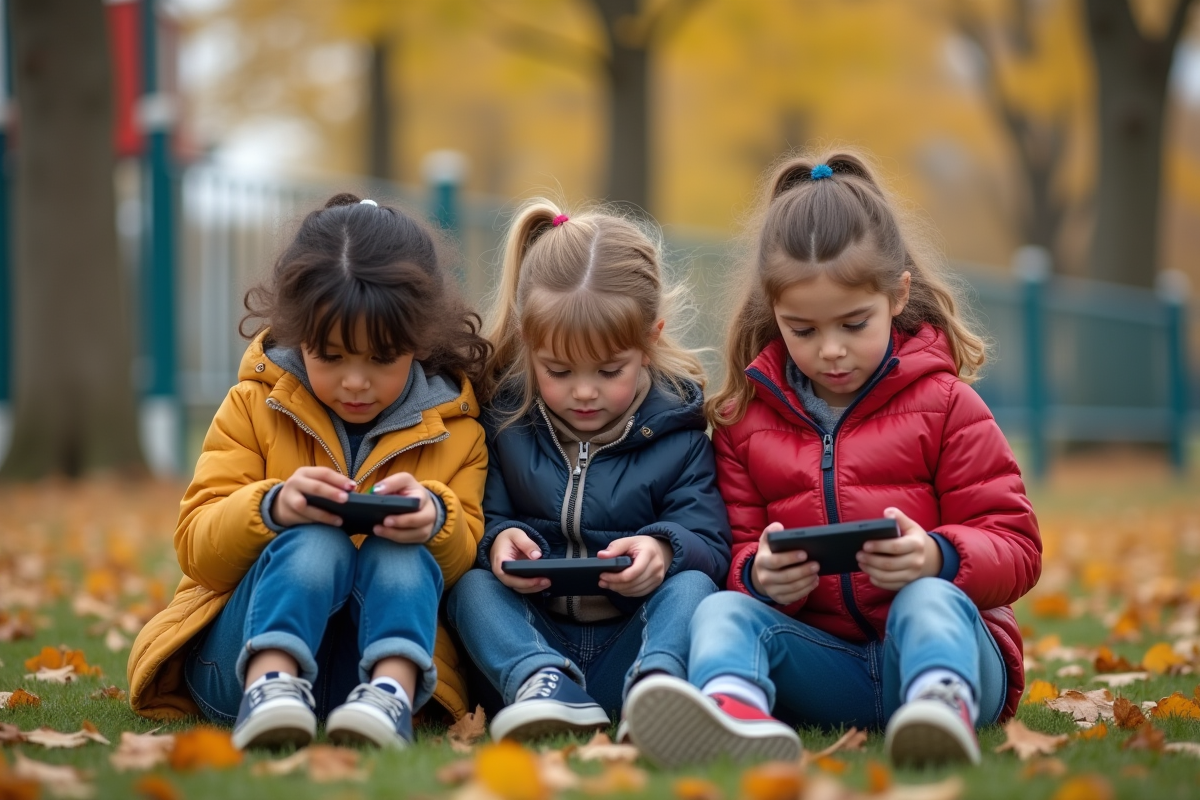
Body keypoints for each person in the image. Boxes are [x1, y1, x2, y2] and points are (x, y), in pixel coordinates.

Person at [624, 152, 1041, 768]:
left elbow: (1017, 545)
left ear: (897, 295)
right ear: (773, 314)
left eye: (853, 324)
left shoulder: (948, 405)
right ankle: (734, 713)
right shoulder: (743, 423)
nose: (831, 351)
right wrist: (761, 577)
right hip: (826, 665)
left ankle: (936, 707)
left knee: (926, 600)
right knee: (722, 610)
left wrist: (936, 557)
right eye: (804, 330)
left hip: (952, 658)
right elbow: (734, 550)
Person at [127, 194, 491, 750]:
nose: (355, 382)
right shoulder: (253, 405)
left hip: (361, 670)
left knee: (402, 551)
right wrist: (271, 508)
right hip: (234, 665)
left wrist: (434, 520)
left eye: (380, 359)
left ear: (418, 342)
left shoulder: (458, 430)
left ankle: (389, 698)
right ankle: (270, 687)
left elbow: (463, 558)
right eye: (331, 356)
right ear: (299, 336)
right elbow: (197, 548)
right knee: (315, 540)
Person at [445, 201, 732, 742]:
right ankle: (542, 684)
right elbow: (481, 519)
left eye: (608, 370)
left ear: (649, 342)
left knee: (694, 586)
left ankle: (656, 691)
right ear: (529, 344)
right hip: (533, 641)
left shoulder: (679, 433)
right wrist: (499, 541)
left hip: (632, 643)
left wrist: (663, 550)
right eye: (558, 370)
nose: (583, 391)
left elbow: (712, 545)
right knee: (473, 588)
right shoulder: (506, 424)